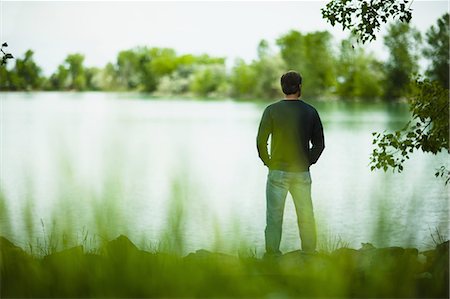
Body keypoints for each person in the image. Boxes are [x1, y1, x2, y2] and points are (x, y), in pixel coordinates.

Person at [256, 70, 325, 257]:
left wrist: (269, 162)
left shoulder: (271, 110)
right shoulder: (311, 111)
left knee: (274, 217)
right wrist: (307, 161)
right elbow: (319, 144)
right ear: (300, 87)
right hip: (301, 172)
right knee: (306, 216)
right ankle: (309, 254)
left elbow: (261, 142)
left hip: (277, 171)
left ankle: (272, 255)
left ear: (282, 88)